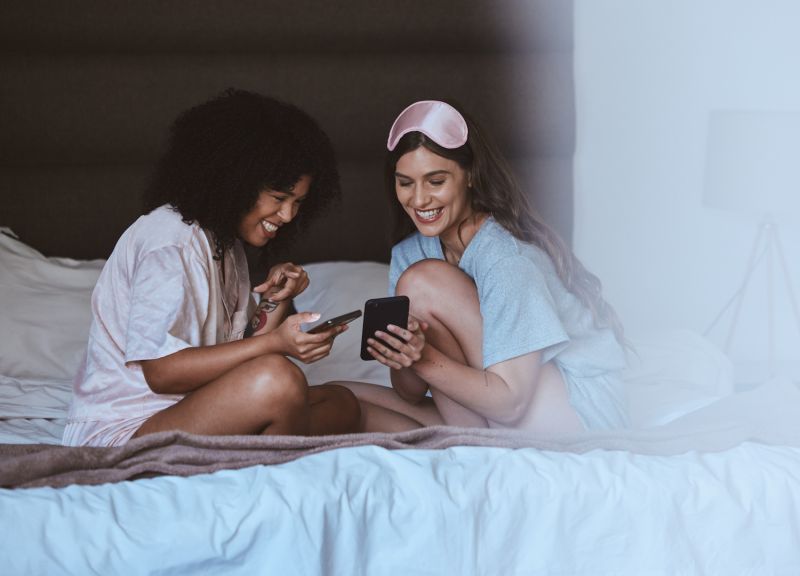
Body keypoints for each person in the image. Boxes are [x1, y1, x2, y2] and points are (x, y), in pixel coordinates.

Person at [63, 89, 360, 447]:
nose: (288, 216)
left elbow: (240, 351)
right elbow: (162, 373)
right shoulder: (171, 239)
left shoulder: (226, 244)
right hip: (126, 431)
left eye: (298, 202)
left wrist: (276, 300)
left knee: (341, 403)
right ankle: (265, 469)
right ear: (236, 179)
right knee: (279, 379)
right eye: (280, 199)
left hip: (192, 408)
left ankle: (258, 451)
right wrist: (278, 344)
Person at [339, 100, 628, 434]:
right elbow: (409, 391)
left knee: (422, 282)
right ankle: (470, 441)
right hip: (488, 407)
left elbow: (511, 402)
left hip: (577, 413)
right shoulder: (410, 253)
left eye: (435, 181)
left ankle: (474, 442)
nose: (418, 200)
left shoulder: (506, 259)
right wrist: (404, 354)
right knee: (342, 398)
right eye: (406, 183)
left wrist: (423, 357)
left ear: (470, 176)